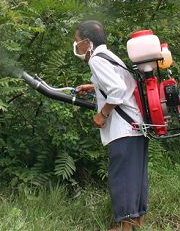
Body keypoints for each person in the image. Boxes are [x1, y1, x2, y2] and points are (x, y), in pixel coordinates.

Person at [74, 20, 149, 231]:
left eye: (77, 41)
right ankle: (137, 223)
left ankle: (124, 228)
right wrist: (95, 86)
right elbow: (124, 84)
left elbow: (116, 89)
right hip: (137, 126)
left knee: (122, 177)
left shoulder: (96, 59)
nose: (76, 46)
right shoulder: (110, 55)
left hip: (124, 128)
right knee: (136, 176)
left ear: (87, 42)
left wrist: (102, 114)